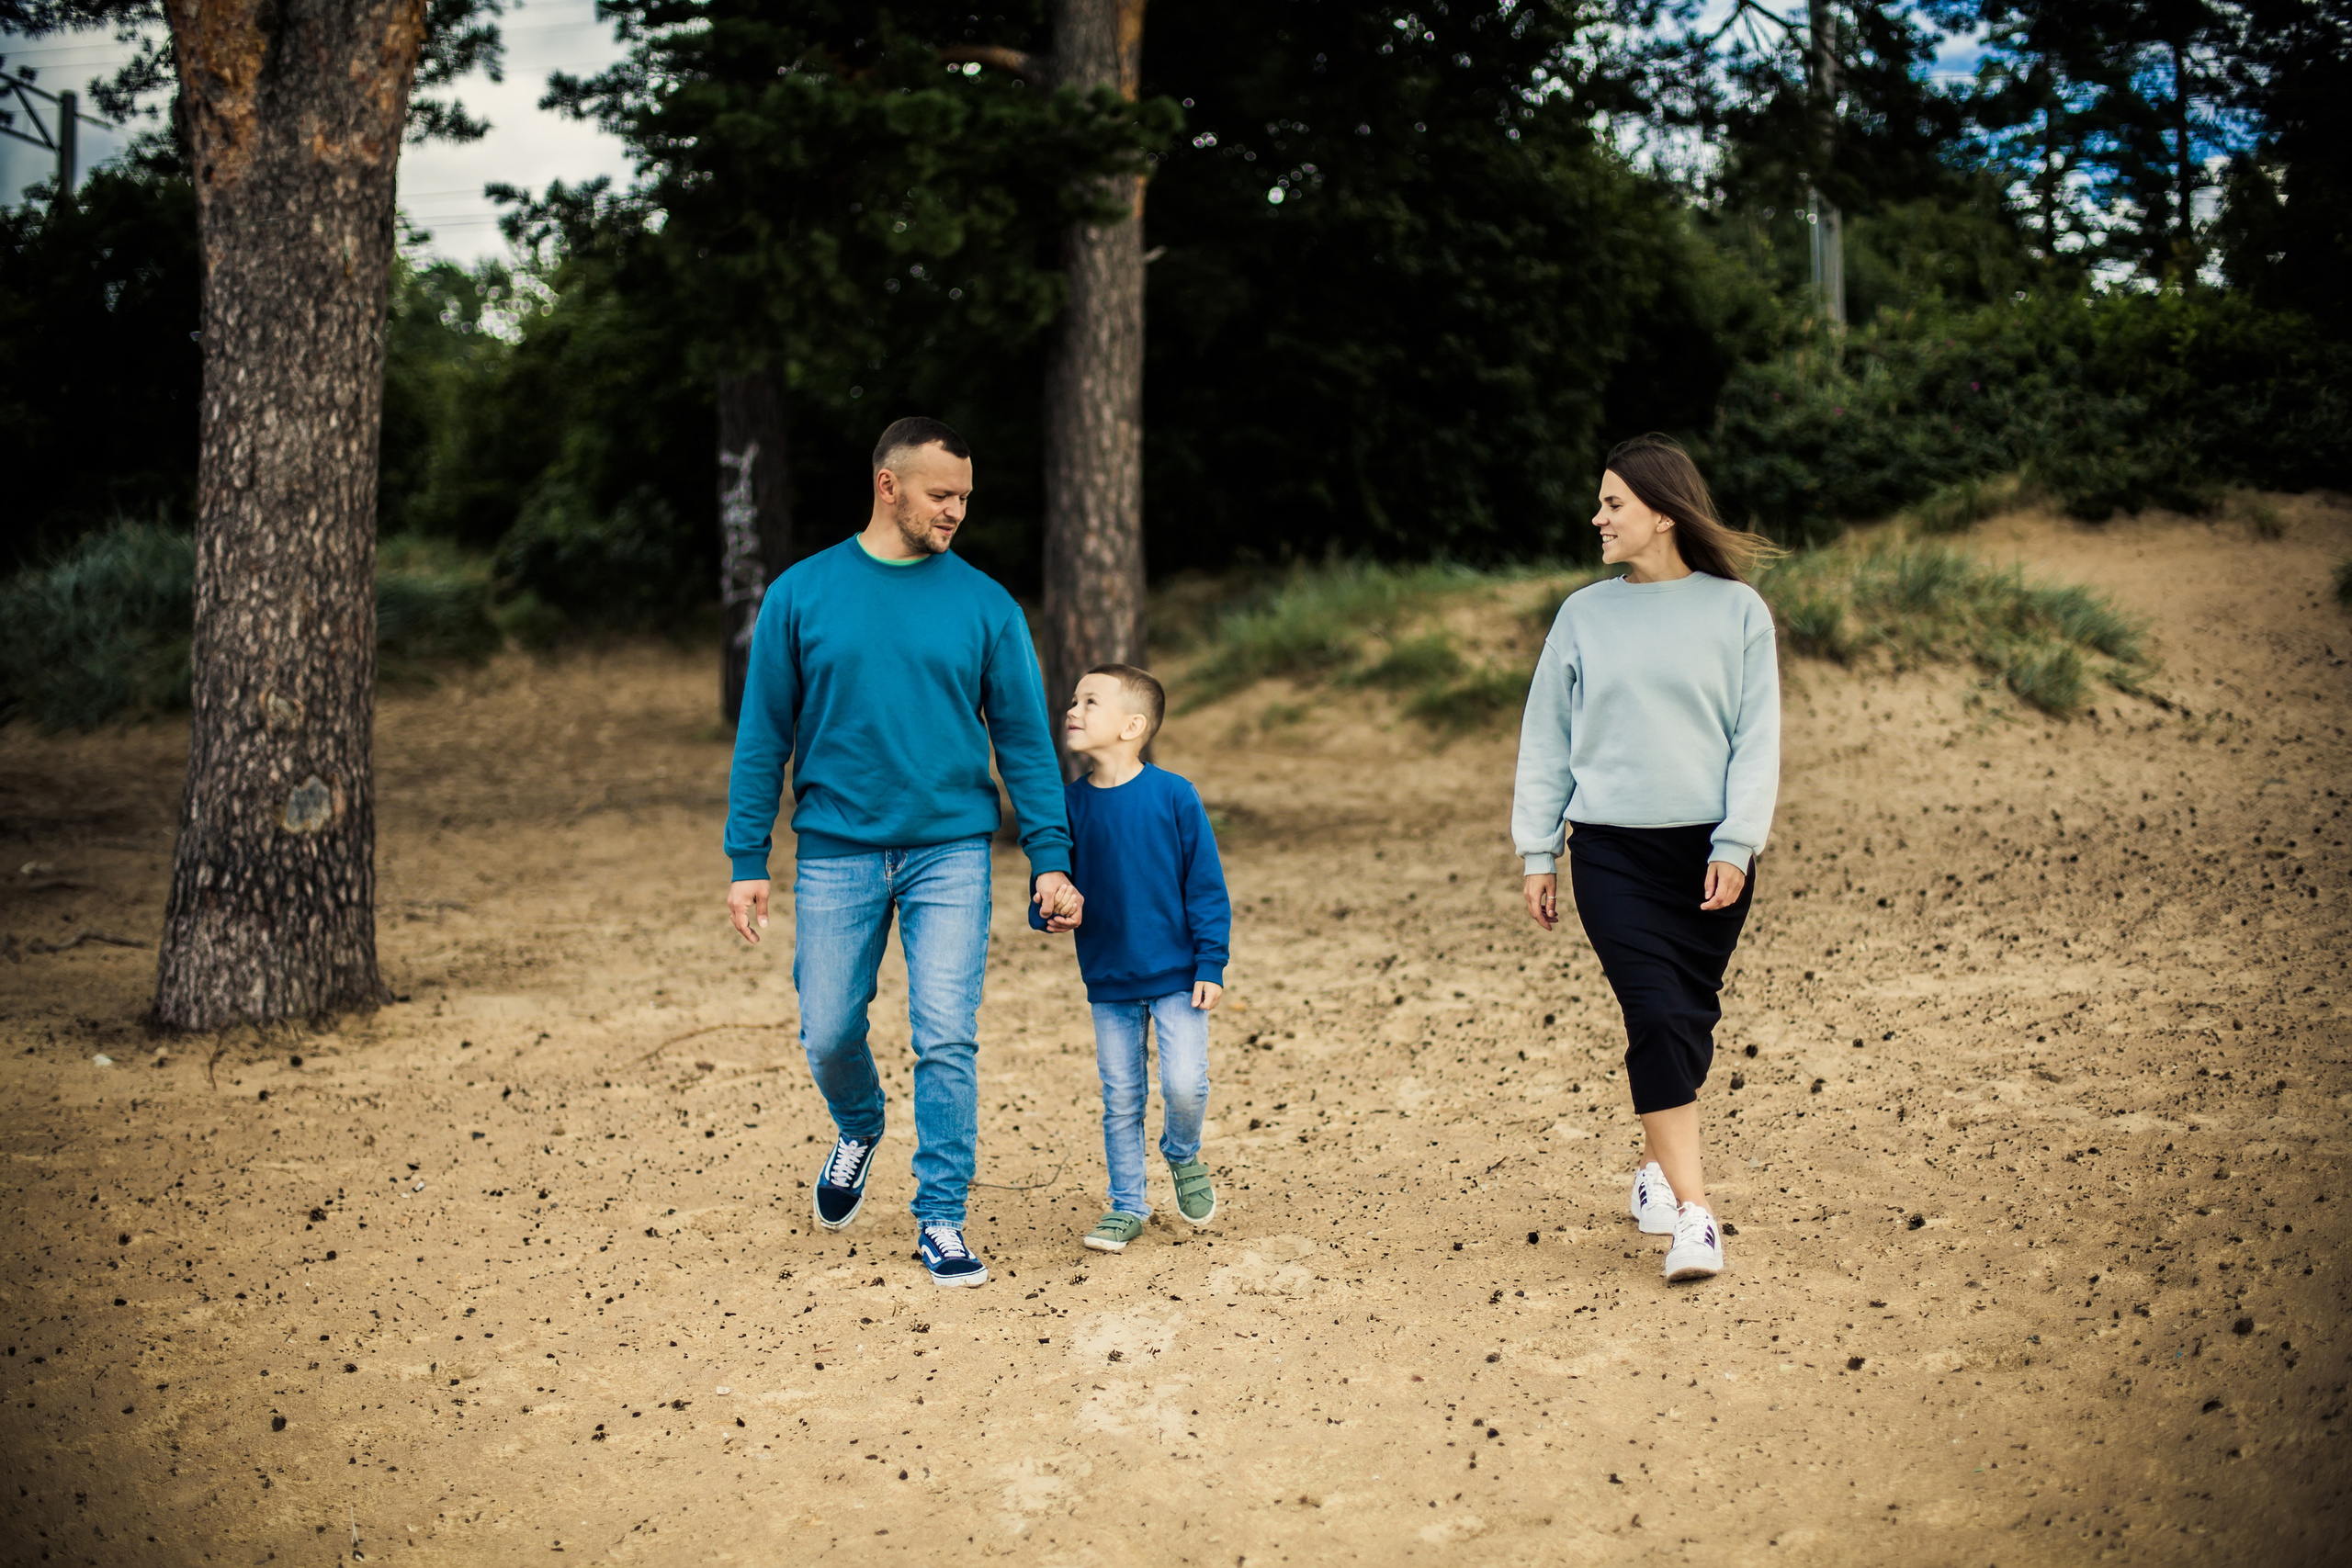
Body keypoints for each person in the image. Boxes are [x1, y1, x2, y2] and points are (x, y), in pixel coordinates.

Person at [724, 417, 1082, 1289]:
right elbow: (762, 734)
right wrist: (746, 857)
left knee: (946, 1037)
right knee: (829, 1028)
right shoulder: (802, 595)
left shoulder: (988, 605)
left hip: (951, 851)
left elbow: (1028, 744)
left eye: (964, 495)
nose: (956, 509)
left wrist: (1050, 853)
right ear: (889, 486)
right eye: (940, 494)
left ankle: (942, 1217)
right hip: (837, 849)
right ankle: (858, 1123)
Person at [1510, 434, 1781, 1283]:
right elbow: (1546, 736)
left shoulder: (1738, 611)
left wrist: (1737, 841)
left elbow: (1756, 741)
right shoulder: (1583, 614)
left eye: (1613, 502)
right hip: (1612, 854)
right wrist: (1537, 849)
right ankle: (1696, 1216)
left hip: (1707, 854)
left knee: (1686, 1020)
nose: (1597, 516)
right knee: (1658, 1014)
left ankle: (1657, 1170)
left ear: (1663, 512)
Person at [1030, 664, 1231, 1254]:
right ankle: (1126, 1205)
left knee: (1187, 1086)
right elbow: (1048, 894)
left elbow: (1206, 887)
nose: (1073, 708)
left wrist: (1210, 964)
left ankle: (1182, 1154)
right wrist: (1053, 909)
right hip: (1109, 981)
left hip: (1177, 976)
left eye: (1090, 701)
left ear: (1132, 726)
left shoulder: (1174, 795)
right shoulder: (1066, 807)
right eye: (1073, 699)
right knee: (1120, 1097)